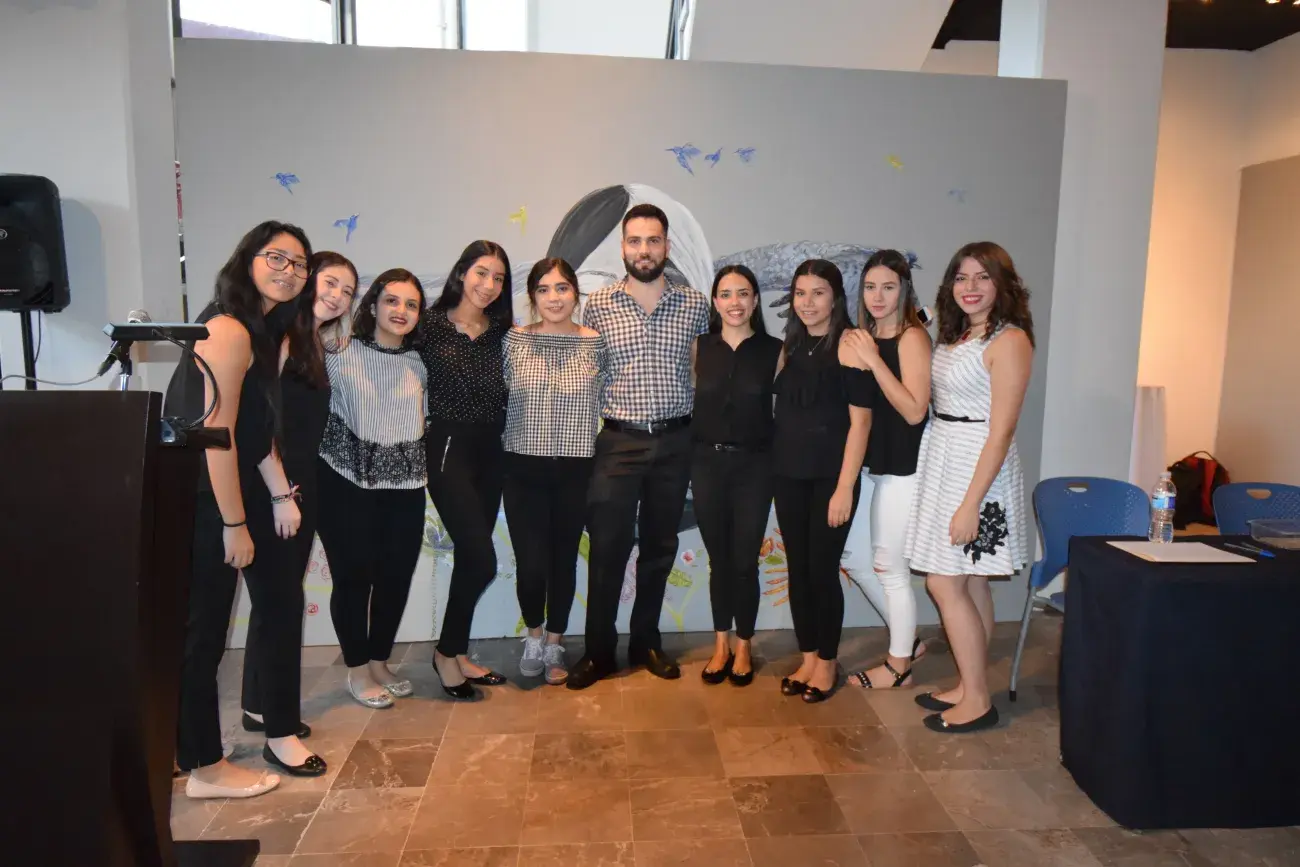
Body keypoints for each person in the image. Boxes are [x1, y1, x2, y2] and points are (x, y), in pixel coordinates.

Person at [166, 220, 313, 799]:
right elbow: (216, 438)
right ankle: (203, 766)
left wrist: (279, 494)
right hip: (209, 496)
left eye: (299, 264)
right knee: (202, 634)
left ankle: (281, 730)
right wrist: (233, 524)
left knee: (281, 603)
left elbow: (256, 427)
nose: (289, 271)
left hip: (246, 487)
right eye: (277, 257)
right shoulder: (226, 329)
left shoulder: (266, 333)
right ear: (247, 259)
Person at [568, 203, 711, 691]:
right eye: (635, 241)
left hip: (675, 440)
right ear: (623, 247)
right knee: (607, 548)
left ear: (666, 246)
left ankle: (646, 642)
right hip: (618, 440)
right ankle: (598, 651)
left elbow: (703, 372)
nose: (644, 250)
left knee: (659, 546)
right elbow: (589, 376)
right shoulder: (599, 305)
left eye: (653, 240)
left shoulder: (694, 305)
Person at [907, 241, 1033, 734]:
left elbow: (1001, 432)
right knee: (972, 580)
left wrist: (971, 504)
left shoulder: (1010, 341)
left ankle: (978, 700)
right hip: (945, 454)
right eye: (962, 277)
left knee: (944, 582)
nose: (971, 287)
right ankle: (969, 684)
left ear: (1002, 284)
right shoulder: (959, 333)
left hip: (979, 468)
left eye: (982, 277)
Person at [240, 251, 356, 773]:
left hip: (294, 484)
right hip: (275, 487)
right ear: (308, 282)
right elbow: (259, 423)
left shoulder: (310, 342)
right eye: (330, 283)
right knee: (283, 605)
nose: (337, 296)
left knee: (273, 601)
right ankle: (280, 734)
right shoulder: (282, 337)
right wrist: (281, 494)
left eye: (347, 291)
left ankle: (258, 705)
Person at [316, 269, 428, 709]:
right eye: (392, 301)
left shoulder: (420, 363)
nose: (401, 311)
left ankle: (379, 661)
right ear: (374, 305)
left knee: (395, 577)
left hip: (407, 486)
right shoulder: (337, 351)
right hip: (345, 484)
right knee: (353, 579)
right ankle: (358, 668)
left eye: (411, 305)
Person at [772, 259, 874, 703]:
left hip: (831, 480)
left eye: (818, 293)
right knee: (798, 570)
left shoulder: (851, 344)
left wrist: (845, 487)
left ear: (836, 297)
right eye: (800, 293)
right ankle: (809, 657)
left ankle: (828, 663)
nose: (808, 302)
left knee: (822, 571)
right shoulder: (791, 345)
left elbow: (861, 424)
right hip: (788, 475)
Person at [502, 258, 607, 685]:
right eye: (543, 289)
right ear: (533, 297)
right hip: (522, 468)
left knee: (563, 561)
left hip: (575, 469)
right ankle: (533, 635)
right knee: (531, 564)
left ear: (575, 294)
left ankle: (555, 641)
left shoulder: (595, 342)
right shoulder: (513, 340)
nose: (554, 297)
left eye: (562, 288)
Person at [420, 241, 514, 700]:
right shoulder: (429, 324)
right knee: (481, 558)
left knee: (469, 559)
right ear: (462, 272)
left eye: (498, 278)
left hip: (492, 452)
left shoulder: (504, 333)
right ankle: (445, 653)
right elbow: (383, 348)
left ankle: (455, 651)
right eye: (481, 272)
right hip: (447, 448)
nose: (489, 285)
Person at [837, 250, 933, 689]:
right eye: (871, 287)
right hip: (872, 464)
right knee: (856, 558)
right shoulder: (864, 336)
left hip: (904, 467)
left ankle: (898, 668)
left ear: (904, 290)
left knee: (890, 565)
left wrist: (874, 359)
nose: (877, 296)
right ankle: (907, 640)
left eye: (888, 287)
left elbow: (914, 411)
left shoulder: (912, 337)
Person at [691, 265, 781, 687]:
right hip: (707, 465)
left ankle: (744, 645)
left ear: (755, 300)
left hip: (755, 468)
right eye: (725, 294)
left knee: (744, 562)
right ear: (715, 301)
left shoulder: (775, 351)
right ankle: (720, 644)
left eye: (743, 293)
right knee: (719, 562)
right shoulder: (699, 347)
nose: (735, 302)